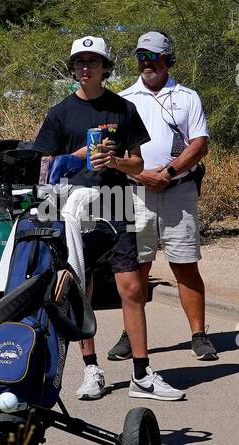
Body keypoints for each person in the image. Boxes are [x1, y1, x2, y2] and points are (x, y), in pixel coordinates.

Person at [35, 35, 182, 401]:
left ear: (105, 67)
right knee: (80, 289)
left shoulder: (122, 108)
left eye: (94, 62)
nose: (86, 68)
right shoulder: (59, 113)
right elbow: (43, 169)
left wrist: (114, 161)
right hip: (72, 207)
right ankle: (91, 370)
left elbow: (138, 164)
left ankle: (142, 373)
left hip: (116, 201)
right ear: (72, 68)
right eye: (80, 62)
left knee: (131, 288)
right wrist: (76, 158)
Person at [116, 31, 216, 361]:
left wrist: (168, 173)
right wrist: (141, 174)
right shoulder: (124, 99)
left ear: (167, 59)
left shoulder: (187, 97)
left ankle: (199, 335)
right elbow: (113, 150)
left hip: (178, 191)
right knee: (137, 268)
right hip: (137, 192)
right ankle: (130, 335)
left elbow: (199, 143)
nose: (146, 64)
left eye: (153, 57)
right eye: (141, 57)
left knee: (185, 264)